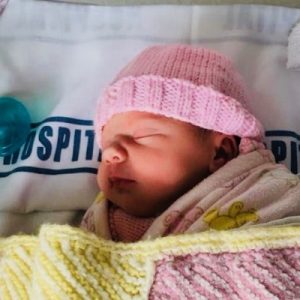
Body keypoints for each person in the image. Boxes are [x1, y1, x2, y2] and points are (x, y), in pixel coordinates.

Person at [81, 44, 300, 242]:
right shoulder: (99, 226)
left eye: (142, 136)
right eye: (107, 142)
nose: (110, 153)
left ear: (221, 153)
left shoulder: (270, 195)